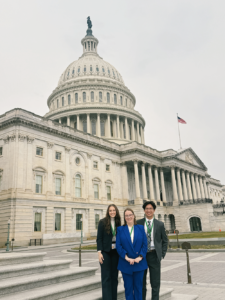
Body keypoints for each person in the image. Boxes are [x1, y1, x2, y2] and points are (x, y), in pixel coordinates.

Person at [137, 201, 168, 300]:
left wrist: (161, 254)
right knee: (141, 282)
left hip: (154, 255)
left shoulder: (160, 224)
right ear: (144, 210)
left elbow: (165, 241)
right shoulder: (138, 223)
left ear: (154, 210)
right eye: (146, 208)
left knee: (155, 282)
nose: (148, 210)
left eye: (150, 208)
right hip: (142, 256)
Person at [116, 208, 148, 300]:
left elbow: (145, 245)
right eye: (126, 215)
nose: (128, 217)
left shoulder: (140, 228)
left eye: (130, 215)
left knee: (138, 288)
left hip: (139, 263)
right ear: (124, 217)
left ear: (133, 216)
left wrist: (140, 257)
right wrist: (126, 257)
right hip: (126, 263)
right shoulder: (120, 229)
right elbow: (119, 246)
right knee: (128, 289)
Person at [96, 204, 121, 300]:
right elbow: (99, 239)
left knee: (114, 277)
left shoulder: (118, 222)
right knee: (106, 277)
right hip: (105, 252)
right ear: (108, 212)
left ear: (116, 211)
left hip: (115, 252)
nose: (112, 212)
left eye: (114, 210)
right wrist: (99, 253)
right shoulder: (102, 222)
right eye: (110, 210)